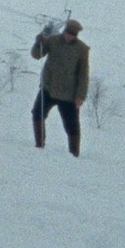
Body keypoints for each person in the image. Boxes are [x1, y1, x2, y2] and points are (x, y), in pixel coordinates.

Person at [31, 19, 90, 157]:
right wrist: (38, 43)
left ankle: (74, 154)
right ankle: (39, 145)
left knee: (72, 126)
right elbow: (37, 55)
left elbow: (83, 74)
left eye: (73, 34)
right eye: (68, 32)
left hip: (69, 95)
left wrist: (80, 96)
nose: (70, 36)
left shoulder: (82, 49)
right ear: (64, 30)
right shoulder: (52, 40)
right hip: (48, 88)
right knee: (37, 114)